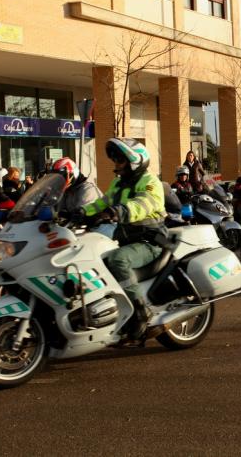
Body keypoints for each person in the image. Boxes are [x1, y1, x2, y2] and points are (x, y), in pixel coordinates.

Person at [79, 138, 167, 340]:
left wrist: (118, 212)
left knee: (118, 260)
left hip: (150, 242)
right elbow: (102, 202)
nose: (116, 165)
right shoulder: (118, 184)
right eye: (116, 160)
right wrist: (79, 212)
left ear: (135, 161)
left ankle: (140, 310)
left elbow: (143, 204)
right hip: (127, 240)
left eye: (120, 161)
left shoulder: (150, 182)